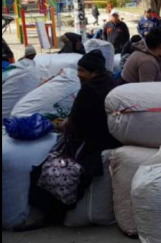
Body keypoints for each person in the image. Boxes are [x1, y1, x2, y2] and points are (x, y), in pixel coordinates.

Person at [31, 50, 121, 222]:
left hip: (88, 145)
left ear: (94, 73)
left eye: (82, 71)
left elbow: (75, 125)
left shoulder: (88, 91)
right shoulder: (110, 84)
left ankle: (52, 213)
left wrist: (63, 125)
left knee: (44, 171)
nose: (79, 75)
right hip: (108, 140)